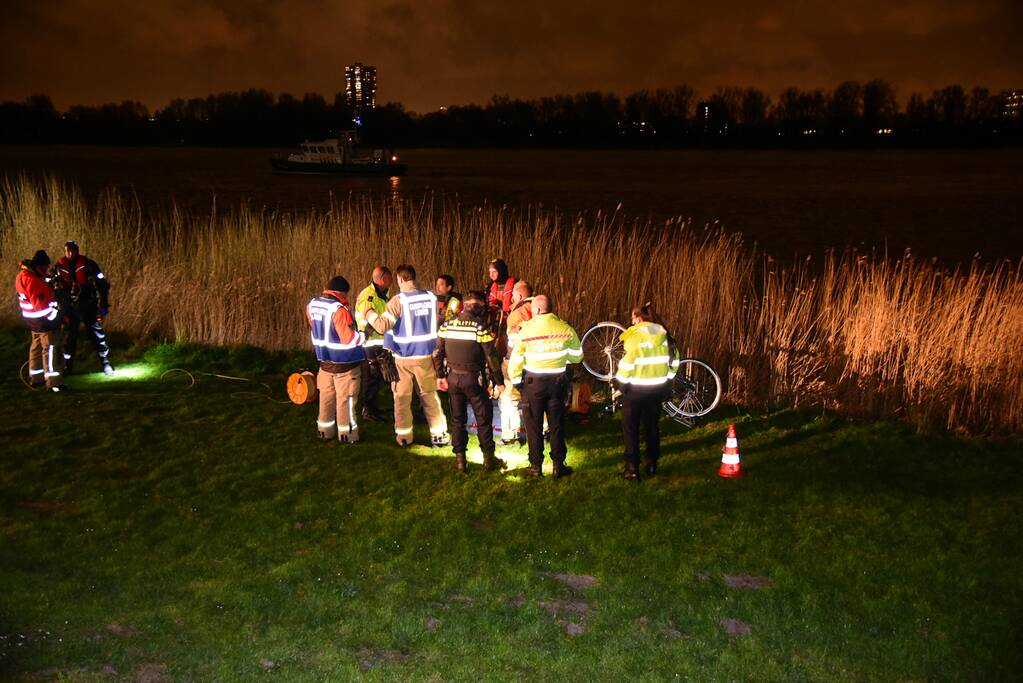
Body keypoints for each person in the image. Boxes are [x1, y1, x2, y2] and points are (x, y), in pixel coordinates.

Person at [362, 264, 450, 447]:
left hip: (403, 359)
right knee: (429, 396)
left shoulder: (397, 301)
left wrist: (368, 313)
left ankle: (404, 437)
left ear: (400, 279)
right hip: (426, 357)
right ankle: (439, 435)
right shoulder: (430, 297)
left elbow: (381, 326)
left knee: (402, 399)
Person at [507, 295, 582, 478]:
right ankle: (558, 466)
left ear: (538, 310)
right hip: (558, 384)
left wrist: (517, 381)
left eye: (532, 309)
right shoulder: (565, 328)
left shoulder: (526, 331)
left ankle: (535, 467)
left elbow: (516, 360)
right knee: (556, 425)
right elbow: (577, 356)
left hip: (533, 385)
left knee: (533, 426)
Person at [433, 291, 506, 473]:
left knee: (458, 420)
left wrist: (440, 375)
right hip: (474, 379)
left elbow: (437, 353)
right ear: (478, 307)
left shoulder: (447, 325)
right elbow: (491, 356)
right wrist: (499, 381)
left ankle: (460, 461)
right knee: (483, 418)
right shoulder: (479, 328)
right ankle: (489, 460)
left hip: (453, 378)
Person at [614, 302, 681, 480]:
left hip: (635, 391)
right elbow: (675, 361)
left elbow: (627, 364)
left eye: (632, 318)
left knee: (631, 429)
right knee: (652, 427)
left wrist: (621, 384)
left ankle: (632, 468)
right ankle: (652, 464)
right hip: (656, 390)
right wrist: (667, 380)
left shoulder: (634, 336)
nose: (632, 322)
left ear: (638, 318)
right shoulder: (664, 334)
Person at [307, 276, 366, 443]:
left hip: (324, 364)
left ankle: (324, 432)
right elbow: (349, 339)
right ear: (342, 292)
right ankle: (347, 436)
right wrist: (363, 335)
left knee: (326, 399)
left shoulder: (312, 305)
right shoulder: (339, 310)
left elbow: (316, 327)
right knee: (345, 401)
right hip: (345, 365)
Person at [55, 240, 113, 375]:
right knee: (69, 338)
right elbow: (54, 288)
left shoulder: (88, 264)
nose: (69, 254)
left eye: (72, 251)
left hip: (88, 304)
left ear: (77, 251)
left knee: (96, 334)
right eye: (67, 251)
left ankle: (105, 362)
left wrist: (103, 304)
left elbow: (102, 284)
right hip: (69, 306)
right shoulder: (59, 266)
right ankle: (67, 366)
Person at [15, 250, 65, 392]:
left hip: (31, 319)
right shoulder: (33, 281)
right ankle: (53, 382)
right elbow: (41, 307)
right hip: (43, 321)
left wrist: (48, 280)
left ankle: (36, 378)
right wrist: (56, 310)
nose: (45, 270)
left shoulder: (22, 276)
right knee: (49, 349)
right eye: (44, 267)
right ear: (38, 266)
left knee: (36, 347)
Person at [354, 265, 392, 423]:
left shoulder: (383, 294)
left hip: (380, 342)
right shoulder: (368, 296)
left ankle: (373, 407)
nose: (392, 281)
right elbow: (370, 320)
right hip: (370, 342)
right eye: (390, 278)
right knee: (372, 376)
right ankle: (367, 410)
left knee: (378, 377)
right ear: (382, 279)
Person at [499, 280, 534, 445]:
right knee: (536, 398)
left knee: (508, 397)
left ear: (519, 295)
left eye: (512, 294)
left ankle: (510, 434)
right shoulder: (538, 308)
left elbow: (513, 340)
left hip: (517, 361)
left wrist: (507, 360)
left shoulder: (517, 313)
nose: (511, 297)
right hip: (536, 363)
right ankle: (543, 430)